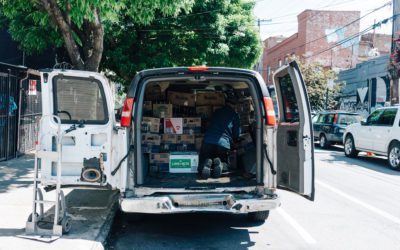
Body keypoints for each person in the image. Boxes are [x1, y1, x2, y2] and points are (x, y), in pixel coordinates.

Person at [198, 94, 241, 179]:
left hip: (208, 140)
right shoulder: (234, 115)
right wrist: (236, 141)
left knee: (205, 157)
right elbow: (236, 133)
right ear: (235, 104)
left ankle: (206, 163)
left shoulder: (217, 111)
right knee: (224, 160)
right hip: (223, 143)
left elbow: (210, 123)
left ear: (225, 102)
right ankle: (221, 164)